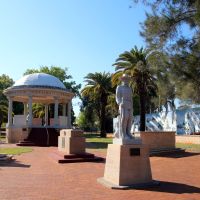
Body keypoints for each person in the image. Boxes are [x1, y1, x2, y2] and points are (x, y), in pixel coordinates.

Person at [115, 74, 133, 139]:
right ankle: (123, 134)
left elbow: (131, 98)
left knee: (130, 119)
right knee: (125, 118)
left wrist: (132, 106)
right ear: (122, 80)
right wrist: (120, 103)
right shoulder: (119, 87)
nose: (126, 80)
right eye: (125, 79)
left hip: (129, 105)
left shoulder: (130, 88)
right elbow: (117, 97)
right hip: (123, 104)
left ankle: (128, 132)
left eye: (127, 79)